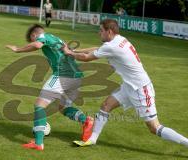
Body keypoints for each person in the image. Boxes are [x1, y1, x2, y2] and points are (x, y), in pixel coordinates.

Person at [62, 19, 188, 147]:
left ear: (109, 31)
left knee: (154, 128)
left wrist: (70, 53)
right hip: (129, 86)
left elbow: (87, 58)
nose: (98, 33)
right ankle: (92, 139)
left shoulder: (112, 46)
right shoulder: (119, 39)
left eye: (101, 30)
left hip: (140, 89)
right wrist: (75, 51)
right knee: (106, 105)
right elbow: (97, 49)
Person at [6, 24, 94, 151]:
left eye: (32, 39)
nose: (34, 41)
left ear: (34, 35)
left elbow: (37, 45)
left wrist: (17, 49)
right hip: (76, 76)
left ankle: (38, 143)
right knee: (63, 107)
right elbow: (73, 52)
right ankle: (86, 121)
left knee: (39, 105)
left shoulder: (43, 36)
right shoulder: (58, 40)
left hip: (62, 75)